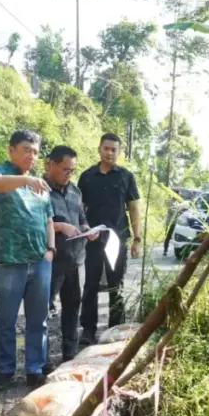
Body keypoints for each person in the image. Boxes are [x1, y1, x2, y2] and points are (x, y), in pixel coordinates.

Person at [0, 130, 56, 391]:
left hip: (40, 261)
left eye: (35, 152)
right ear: (11, 150)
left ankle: (34, 369)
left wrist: (51, 249)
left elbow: (49, 218)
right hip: (9, 261)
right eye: (26, 149)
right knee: (6, 321)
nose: (31, 156)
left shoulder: (40, 185)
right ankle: (5, 370)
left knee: (39, 320)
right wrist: (25, 181)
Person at [77, 133, 142, 345]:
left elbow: (133, 208)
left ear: (119, 152)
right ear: (99, 149)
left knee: (117, 286)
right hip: (94, 238)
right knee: (90, 285)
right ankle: (88, 329)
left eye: (114, 149)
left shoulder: (126, 176)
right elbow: (80, 209)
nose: (110, 153)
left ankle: (115, 328)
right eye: (106, 148)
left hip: (118, 238)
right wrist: (83, 230)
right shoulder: (87, 177)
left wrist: (137, 238)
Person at [46, 145, 98, 362]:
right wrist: (59, 227)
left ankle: (69, 354)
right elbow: (34, 223)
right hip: (50, 261)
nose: (69, 174)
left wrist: (87, 230)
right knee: (43, 310)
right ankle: (41, 359)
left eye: (72, 171)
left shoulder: (75, 192)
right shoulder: (40, 190)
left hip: (75, 260)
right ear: (51, 164)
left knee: (72, 307)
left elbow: (81, 219)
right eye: (65, 169)